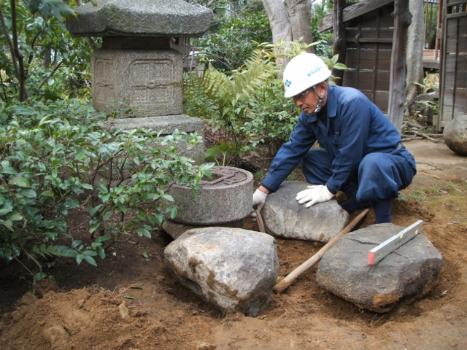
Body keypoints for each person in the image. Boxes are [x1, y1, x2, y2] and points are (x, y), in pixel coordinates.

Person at [252, 53, 416, 223]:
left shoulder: (352, 103)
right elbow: (293, 148)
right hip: (359, 166)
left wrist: (328, 189)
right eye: (295, 98)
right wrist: (264, 189)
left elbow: (350, 153)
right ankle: (361, 199)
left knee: (373, 163)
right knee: (311, 159)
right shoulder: (311, 112)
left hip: (392, 164)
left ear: (321, 88)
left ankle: (383, 222)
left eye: (302, 95)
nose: (298, 103)